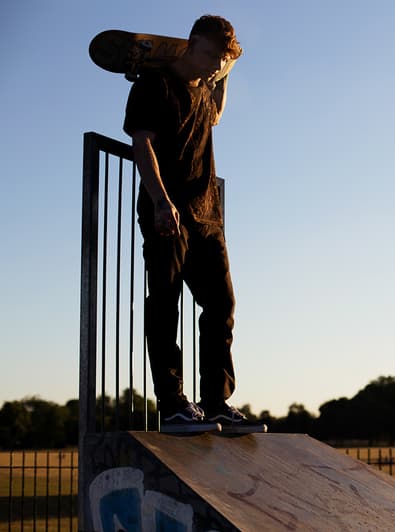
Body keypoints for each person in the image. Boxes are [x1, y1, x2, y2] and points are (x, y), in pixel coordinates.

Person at [123, 15, 246, 429]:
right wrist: (160, 200)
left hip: (207, 216)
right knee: (166, 303)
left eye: (220, 59)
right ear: (191, 45)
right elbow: (142, 143)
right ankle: (173, 404)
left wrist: (227, 71)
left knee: (221, 305)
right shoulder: (154, 86)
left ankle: (215, 402)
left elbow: (215, 115)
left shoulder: (205, 91)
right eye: (210, 54)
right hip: (167, 212)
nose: (214, 64)